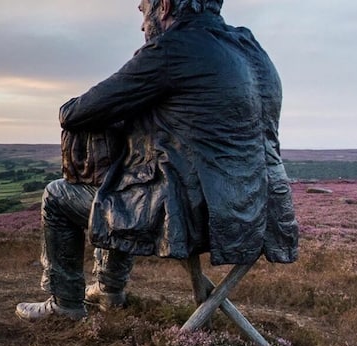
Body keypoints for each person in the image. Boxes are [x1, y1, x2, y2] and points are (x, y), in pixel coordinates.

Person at [16, 0, 299, 321]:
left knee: (58, 195)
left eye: (143, 9)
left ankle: (64, 305)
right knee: (123, 182)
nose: (141, 24)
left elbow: (76, 113)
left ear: (163, 5)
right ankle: (109, 289)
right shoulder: (252, 50)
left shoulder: (173, 48)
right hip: (262, 217)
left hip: (199, 223)